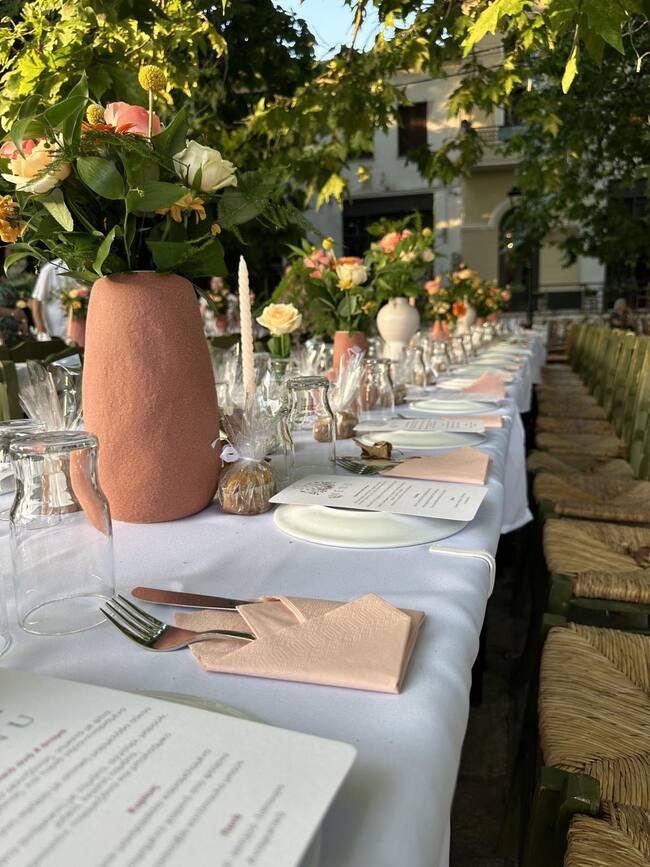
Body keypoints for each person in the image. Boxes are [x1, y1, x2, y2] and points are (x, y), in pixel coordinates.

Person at [30, 259, 71, 339]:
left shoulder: (85, 269)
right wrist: (41, 331)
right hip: (54, 331)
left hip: (79, 327)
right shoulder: (49, 270)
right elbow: (36, 302)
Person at [0, 277, 29, 346]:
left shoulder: (8, 285)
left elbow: (20, 310)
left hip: (16, 335)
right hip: (4, 335)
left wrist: (24, 324)